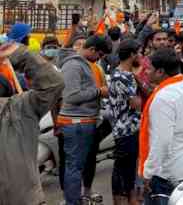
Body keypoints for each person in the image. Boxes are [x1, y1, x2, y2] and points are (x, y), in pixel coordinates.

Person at [0, 33, 64, 205]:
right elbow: (54, 85)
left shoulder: (18, 108)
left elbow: (54, 85)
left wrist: (19, 53)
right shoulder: (19, 107)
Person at [139, 48, 183, 205]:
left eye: (149, 69)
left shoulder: (163, 97)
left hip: (166, 172)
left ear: (160, 72)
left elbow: (161, 141)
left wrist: (148, 173)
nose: (145, 72)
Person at [58, 35, 112, 205]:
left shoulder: (83, 64)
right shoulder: (74, 65)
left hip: (83, 121)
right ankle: (72, 201)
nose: (99, 59)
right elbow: (71, 96)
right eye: (100, 55)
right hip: (77, 123)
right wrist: (98, 92)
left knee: (76, 166)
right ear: (92, 50)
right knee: (74, 167)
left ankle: (74, 199)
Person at [107, 39, 142, 205]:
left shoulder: (120, 73)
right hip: (126, 129)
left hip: (128, 128)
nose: (141, 56)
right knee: (123, 168)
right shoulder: (123, 76)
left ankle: (128, 197)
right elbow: (136, 104)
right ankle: (120, 200)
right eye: (139, 53)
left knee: (127, 167)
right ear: (132, 55)